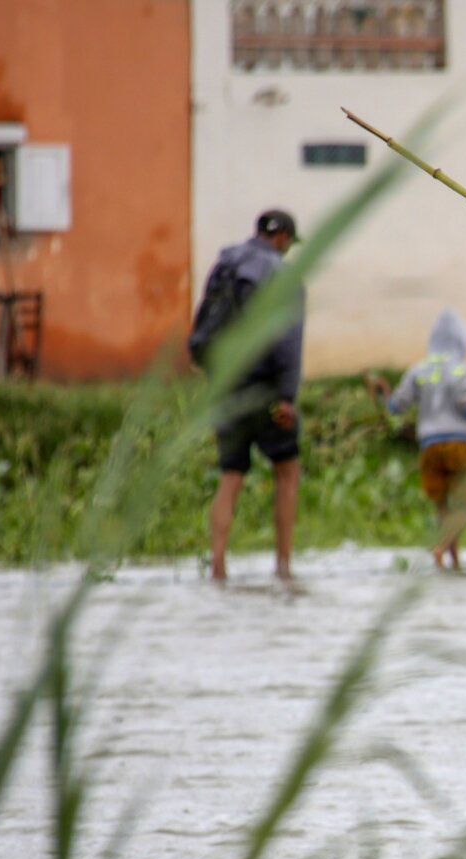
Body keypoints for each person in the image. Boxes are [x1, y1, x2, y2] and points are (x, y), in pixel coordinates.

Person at [197, 209, 305, 583]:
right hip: (267, 388)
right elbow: (288, 338)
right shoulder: (280, 274)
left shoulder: (225, 265)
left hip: (226, 386)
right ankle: (283, 565)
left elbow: (205, 326)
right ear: (282, 238)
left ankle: (218, 564)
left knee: (231, 474)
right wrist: (287, 396)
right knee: (287, 470)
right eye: (289, 243)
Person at [363, 309, 466, 571]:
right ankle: (442, 546)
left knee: (442, 505)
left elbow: (395, 407)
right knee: (465, 503)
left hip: (430, 446)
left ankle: (451, 559)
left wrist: (384, 391)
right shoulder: (465, 372)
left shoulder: (419, 370)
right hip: (460, 444)